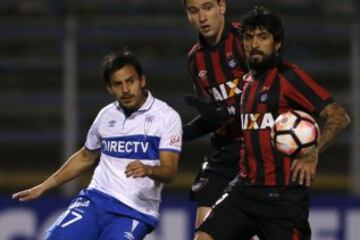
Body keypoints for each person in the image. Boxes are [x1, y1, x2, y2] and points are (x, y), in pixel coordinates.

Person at [195, 6, 351, 240]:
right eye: (249, 37)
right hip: (244, 191)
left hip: (283, 201)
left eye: (263, 37)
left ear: (277, 43)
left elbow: (339, 116)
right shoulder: (247, 82)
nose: (255, 43)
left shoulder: (288, 77)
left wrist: (312, 152)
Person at [12, 48, 182, 240]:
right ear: (109, 88)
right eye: (118, 84)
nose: (125, 90)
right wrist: (43, 186)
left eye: (130, 81)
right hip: (95, 200)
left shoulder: (166, 117)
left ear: (142, 80)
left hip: (135, 211)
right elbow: (86, 157)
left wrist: (148, 170)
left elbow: (169, 172)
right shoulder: (106, 116)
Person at [182, 0, 248, 229]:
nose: (202, 17)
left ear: (222, 6)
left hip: (260, 149)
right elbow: (213, 117)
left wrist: (225, 112)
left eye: (207, 7)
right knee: (204, 226)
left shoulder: (246, 39)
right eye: (194, 11)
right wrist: (175, 135)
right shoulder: (195, 59)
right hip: (227, 150)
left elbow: (272, 95)